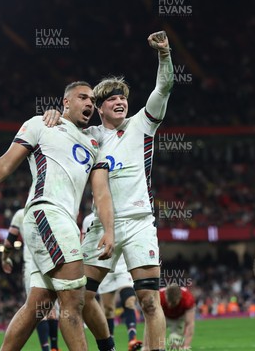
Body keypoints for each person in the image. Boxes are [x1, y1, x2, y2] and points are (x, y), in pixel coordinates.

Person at [46, 30, 173, 351]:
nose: (120, 102)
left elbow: (165, 86)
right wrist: (52, 114)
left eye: (123, 98)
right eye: (112, 99)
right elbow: (60, 124)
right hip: (100, 226)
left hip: (140, 222)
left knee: (148, 299)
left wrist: (164, 54)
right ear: (99, 108)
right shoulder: (86, 135)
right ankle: (107, 345)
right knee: (79, 298)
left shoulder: (142, 124)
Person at [0, 81, 116, 351]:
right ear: (65, 102)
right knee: (73, 301)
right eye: (82, 97)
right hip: (46, 213)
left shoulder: (94, 142)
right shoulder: (42, 124)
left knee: (37, 306)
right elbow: (5, 164)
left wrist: (109, 229)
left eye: (92, 100)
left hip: (65, 223)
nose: (89, 103)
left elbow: (102, 193)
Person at [2, 208, 60, 351]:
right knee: (52, 309)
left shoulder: (21, 214)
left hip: (33, 267)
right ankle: (54, 348)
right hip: (53, 264)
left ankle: (46, 349)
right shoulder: (51, 208)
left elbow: (9, 242)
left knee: (37, 308)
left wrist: (5, 258)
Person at [82, 213, 142, 351]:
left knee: (129, 300)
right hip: (101, 264)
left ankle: (132, 339)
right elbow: (84, 242)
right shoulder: (88, 220)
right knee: (108, 310)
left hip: (122, 265)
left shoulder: (121, 212)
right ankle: (111, 345)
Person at [159, 284, 195, 350]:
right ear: (165, 295)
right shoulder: (159, 296)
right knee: (156, 343)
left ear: (180, 298)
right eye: (168, 301)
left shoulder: (187, 298)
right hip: (163, 316)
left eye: (173, 302)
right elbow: (152, 320)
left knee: (175, 344)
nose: (170, 305)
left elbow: (189, 324)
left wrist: (186, 346)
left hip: (179, 317)